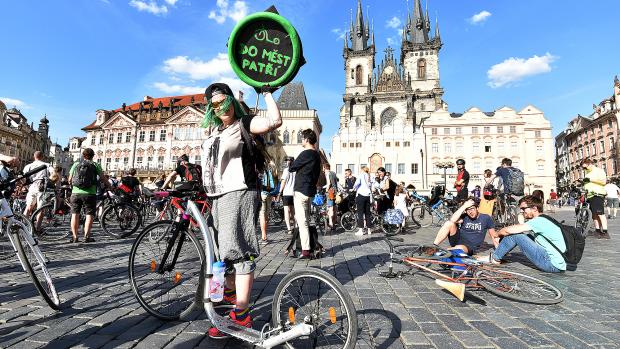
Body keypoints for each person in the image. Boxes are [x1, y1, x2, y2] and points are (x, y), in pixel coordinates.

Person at [200, 83, 282, 339]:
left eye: (223, 101)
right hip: (217, 195)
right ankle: (231, 297)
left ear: (231, 102)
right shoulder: (214, 130)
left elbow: (275, 121)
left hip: (240, 192)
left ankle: (242, 314)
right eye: (213, 104)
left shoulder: (243, 123)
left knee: (239, 251)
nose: (219, 107)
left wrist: (267, 93)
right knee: (220, 254)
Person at [486, 195, 566, 273]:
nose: (522, 211)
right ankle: (501, 251)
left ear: (534, 208)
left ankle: (495, 258)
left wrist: (496, 235)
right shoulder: (546, 218)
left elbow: (508, 231)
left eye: (524, 209)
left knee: (516, 235)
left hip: (551, 264)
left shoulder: (539, 221)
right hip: (559, 263)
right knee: (525, 236)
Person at [289, 129, 321, 259]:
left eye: (302, 138)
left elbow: (292, 167)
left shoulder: (306, 153)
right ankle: (311, 245)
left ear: (307, 140)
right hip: (310, 191)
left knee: (302, 221)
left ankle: (306, 250)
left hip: (301, 189)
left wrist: (293, 162)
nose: (301, 141)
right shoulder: (317, 155)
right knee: (306, 220)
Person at [68, 148, 109, 243]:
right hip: (90, 193)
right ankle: (86, 236)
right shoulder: (95, 164)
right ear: (93, 156)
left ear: (83, 155)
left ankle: (75, 237)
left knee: (75, 214)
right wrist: (110, 186)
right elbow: (103, 178)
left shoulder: (76, 164)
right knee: (89, 215)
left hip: (76, 193)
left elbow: (69, 179)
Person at [581, 159, 609, 238]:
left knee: (600, 214)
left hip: (597, 194)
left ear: (590, 164)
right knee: (594, 215)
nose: (584, 169)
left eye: (585, 167)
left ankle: (605, 232)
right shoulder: (587, 173)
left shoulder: (599, 171)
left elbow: (603, 182)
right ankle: (597, 231)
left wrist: (590, 180)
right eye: (583, 168)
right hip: (590, 195)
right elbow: (588, 184)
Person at [22, 151, 53, 217]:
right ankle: (37, 227)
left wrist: (26, 187)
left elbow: (23, 179)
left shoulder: (28, 166)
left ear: (34, 157)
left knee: (28, 207)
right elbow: (54, 174)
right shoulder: (47, 165)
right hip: (42, 188)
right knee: (40, 209)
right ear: (42, 157)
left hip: (32, 187)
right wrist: (51, 182)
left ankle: (23, 225)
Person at [353, 166, 374, 236]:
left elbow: (357, 183)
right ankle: (369, 230)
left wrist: (354, 188)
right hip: (368, 195)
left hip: (361, 194)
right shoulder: (369, 176)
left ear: (362, 170)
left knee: (360, 213)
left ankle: (361, 230)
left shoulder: (361, 175)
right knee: (367, 213)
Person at [278, 157, 296, 234]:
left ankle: (289, 229)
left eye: (287, 161)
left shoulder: (286, 170)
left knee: (286, 211)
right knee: (293, 212)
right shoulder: (296, 170)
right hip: (294, 193)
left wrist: (279, 193)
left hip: (287, 193)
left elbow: (283, 182)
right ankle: (296, 226)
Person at [259, 164, 275, 244]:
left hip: (262, 194)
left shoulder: (258, 171)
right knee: (266, 215)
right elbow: (272, 184)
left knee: (262, 215)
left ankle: (264, 237)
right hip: (269, 194)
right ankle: (265, 235)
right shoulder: (268, 171)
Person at [323, 163, 338, 231]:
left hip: (330, 192)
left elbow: (329, 183)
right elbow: (337, 180)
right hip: (335, 192)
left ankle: (331, 224)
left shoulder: (327, 173)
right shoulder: (333, 173)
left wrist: (326, 190)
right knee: (335, 209)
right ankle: (334, 224)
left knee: (330, 208)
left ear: (325, 168)